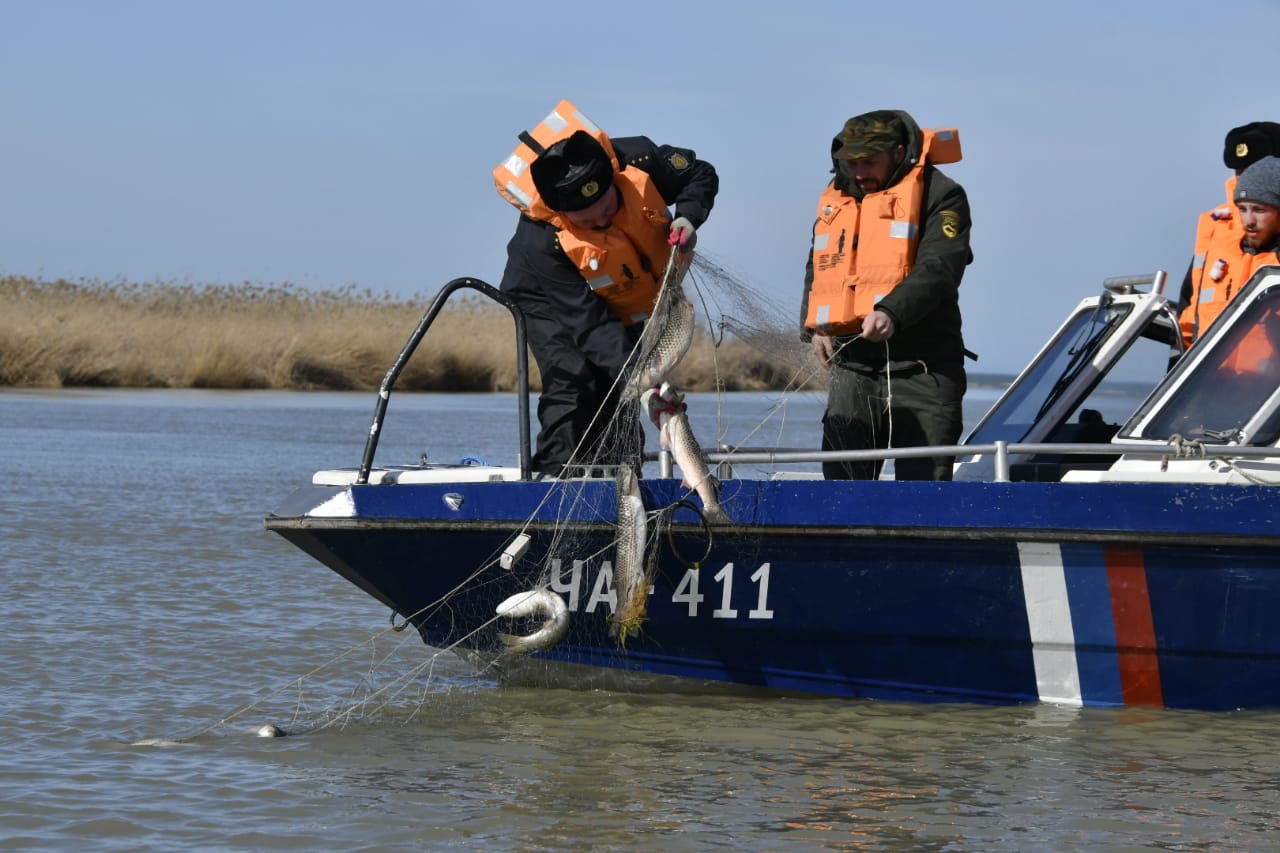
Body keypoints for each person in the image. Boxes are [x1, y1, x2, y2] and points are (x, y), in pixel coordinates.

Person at [495, 105, 718, 476]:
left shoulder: (641, 161)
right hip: (547, 294)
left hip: (622, 285)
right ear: (563, 215)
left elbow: (701, 173)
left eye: (608, 209)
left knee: (620, 391)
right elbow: (591, 326)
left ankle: (623, 474)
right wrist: (643, 383)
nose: (602, 221)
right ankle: (557, 476)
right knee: (574, 377)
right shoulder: (541, 242)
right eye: (589, 221)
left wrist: (688, 216)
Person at [799, 109, 973, 480]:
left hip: (924, 367)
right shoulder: (838, 199)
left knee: (924, 485)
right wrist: (816, 327)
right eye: (852, 162)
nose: (859, 172)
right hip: (854, 364)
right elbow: (820, 265)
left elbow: (940, 267)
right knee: (843, 482)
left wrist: (891, 312)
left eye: (869, 162)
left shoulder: (943, 194)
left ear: (897, 152)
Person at [1178, 121, 1280, 348]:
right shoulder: (1213, 225)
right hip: (1206, 369)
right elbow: (1190, 302)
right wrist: (1179, 366)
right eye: (1240, 171)